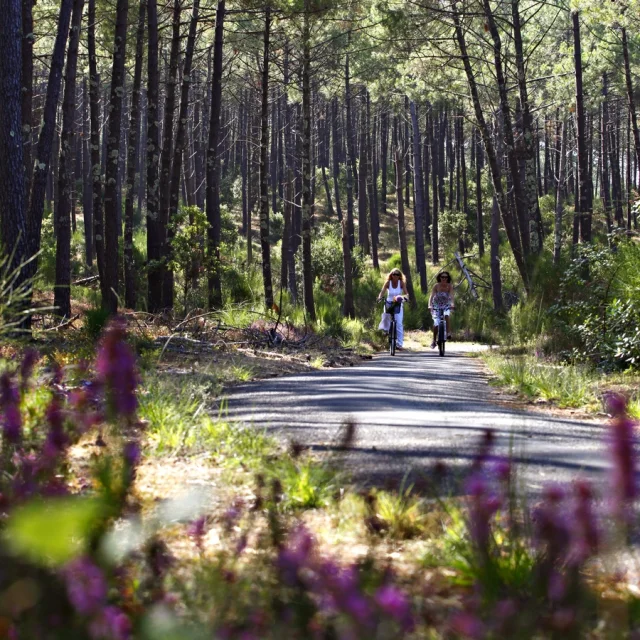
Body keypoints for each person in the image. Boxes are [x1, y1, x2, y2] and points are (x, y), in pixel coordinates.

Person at [377, 268, 409, 350]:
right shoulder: (388, 283)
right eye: (394, 274)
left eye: (397, 274)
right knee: (386, 316)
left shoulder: (401, 283)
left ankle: (399, 344)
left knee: (399, 323)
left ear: (399, 276)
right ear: (391, 275)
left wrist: (405, 298)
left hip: (398, 303)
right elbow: (382, 291)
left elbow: (406, 293)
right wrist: (380, 298)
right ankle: (386, 330)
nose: (395, 276)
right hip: (389, 303)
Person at [429, 271, 455, 349]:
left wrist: (452, 304)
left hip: (446, 304)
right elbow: (431, 296)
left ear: (448, 278)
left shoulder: (449, 286)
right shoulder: (436, 286)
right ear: (440, 278)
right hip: (436, 305)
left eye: (446, 277)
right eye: (442, 277)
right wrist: (430, 305)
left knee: (446, 315)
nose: (444, 279)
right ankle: (434, 340)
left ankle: (448, 332)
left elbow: (451, 296)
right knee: (436, 323)